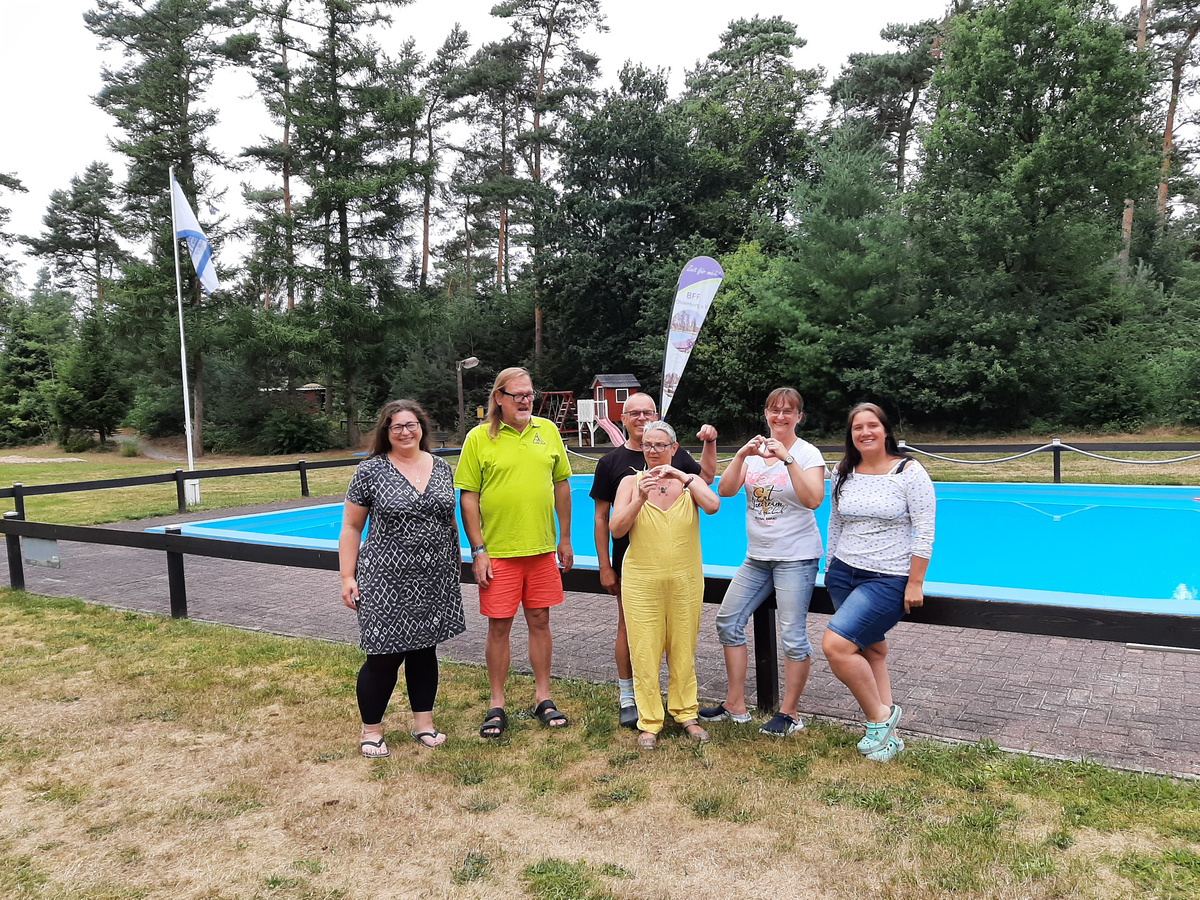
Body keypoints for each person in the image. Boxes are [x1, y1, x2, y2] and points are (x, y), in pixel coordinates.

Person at [339, 399, 466, 756]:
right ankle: (371, 730)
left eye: (412, 425)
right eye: (397, 426)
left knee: (425, 650)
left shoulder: (441, 468)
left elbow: (448, 518)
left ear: (422, 428)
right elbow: (351, 527)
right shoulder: (371, 471)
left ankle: (423, 724)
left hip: (434, 575)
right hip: (385, 576)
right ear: (386, 432)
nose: (406, 432)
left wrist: (455, 557)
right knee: (383, 655)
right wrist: (347, 576)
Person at [455, 367, 574, 739]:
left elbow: (562, 487)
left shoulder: (548, 431)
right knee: (499, 626)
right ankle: (497, 703)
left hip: (540, 551)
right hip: (500, 554)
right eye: (517, 395)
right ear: (499, 398)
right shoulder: (478, 438)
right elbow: (468, 498)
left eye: (529, 394)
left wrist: (565, 539)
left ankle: (543, 696)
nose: (525, 401)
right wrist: (478, 550)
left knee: (540, 621)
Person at [700, 388, 826, 736]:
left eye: (788, 411)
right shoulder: (754, 454)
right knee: (727, 622)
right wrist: (741, 455)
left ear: (799, 416)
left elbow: (814, 499)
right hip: (757, 557)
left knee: (793, 637)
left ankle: (790, 714)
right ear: (766, 414)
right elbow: (724, 491)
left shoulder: (807, 453)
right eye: (774, 410)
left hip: (796, 558)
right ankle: (735, 705)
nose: (780, 416)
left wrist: (787, 459)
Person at [590, 392, 717, 728]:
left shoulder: (686, 478)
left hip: (683, 577)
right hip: (641, 576)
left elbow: (714, 504)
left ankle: (686, 712)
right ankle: (648, 718)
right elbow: (614, 527)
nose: (654, 451)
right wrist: (640, 497)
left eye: (661, 445)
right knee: (643, 648)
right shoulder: (631, 480)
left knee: (683, 646)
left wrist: (684, 477)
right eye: (649, 446)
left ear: (674, 449)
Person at [823, 402, 936, 763]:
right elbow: (836, 523)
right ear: (850, 435)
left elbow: (925, 530)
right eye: (858, 427)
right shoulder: (843, 470)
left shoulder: (908, 471)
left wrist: (915, 582)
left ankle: (879, 720)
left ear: (886, 430)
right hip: (843, 572)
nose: (865, 432)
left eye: (872, 425)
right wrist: (829, 567)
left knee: (836, 646)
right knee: (870, 650)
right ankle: (891, 741)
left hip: (888, 578)